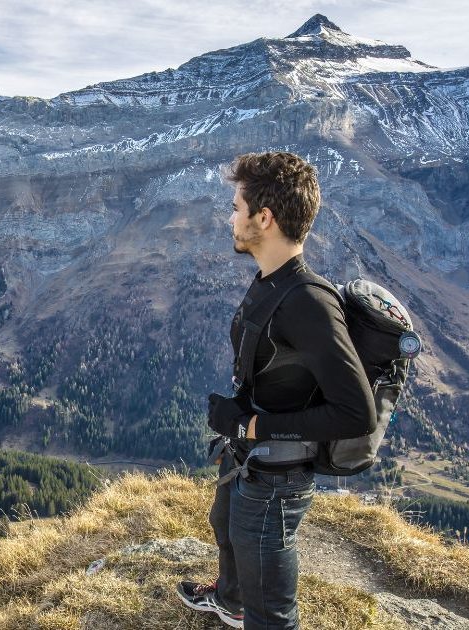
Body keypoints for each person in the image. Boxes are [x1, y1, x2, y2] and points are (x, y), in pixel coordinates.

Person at [176, 151, 377, 629]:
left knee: (272, 609)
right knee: (225, 527)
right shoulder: (273, 282)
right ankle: (230, 599)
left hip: (277, 479)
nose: (230, 218)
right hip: (252, 456)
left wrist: (252, 423)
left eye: (236, 207)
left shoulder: (307, 302)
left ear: (263, 218)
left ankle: (251, 609)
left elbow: (357, 413)